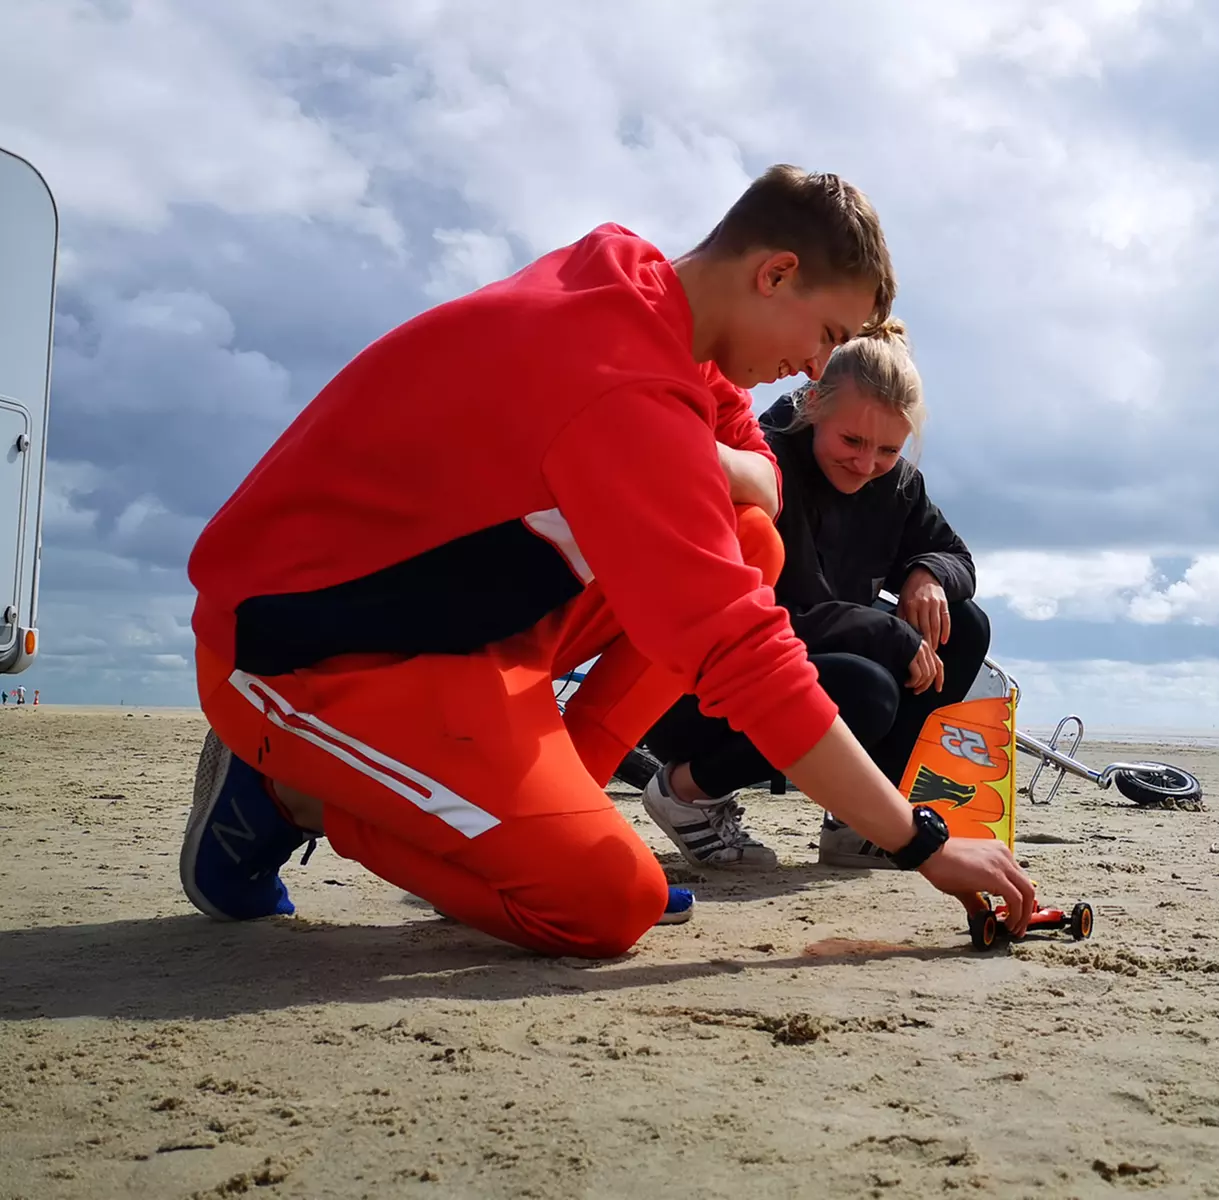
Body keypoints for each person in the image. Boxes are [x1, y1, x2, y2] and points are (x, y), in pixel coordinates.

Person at [178, 165, 1038, 959]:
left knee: (748, 534)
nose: (814, 367)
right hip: (302, 656)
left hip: (466, 627)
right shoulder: (619, 385)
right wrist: (922, 842)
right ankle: (283, 794)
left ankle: (548, 818)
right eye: (826, 333)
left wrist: (694, 454)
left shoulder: (639, 286)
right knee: (602, 905)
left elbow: (764, 480)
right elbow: (747, 659)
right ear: (774, 274)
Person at [638, 321, 988, 870]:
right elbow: (778, 613)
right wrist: (891, 633)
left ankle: (859, 823)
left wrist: (927, 574)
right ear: (814, 405)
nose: (866, 464)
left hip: (808, 659)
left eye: (888, 449)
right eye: (852, 441)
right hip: (699, 691)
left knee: (963, 625)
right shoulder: (766, 463)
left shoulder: (895, 484)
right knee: (867, 689)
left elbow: (955, 556)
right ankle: (687, 793)